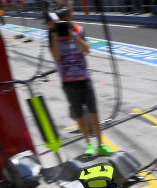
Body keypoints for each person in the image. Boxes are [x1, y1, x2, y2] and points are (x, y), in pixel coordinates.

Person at [47, 9, 115, 158]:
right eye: (64, 19)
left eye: (68, 18)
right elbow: (56, 58)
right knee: (79, 116)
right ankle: (89, 144)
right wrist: (54, 33)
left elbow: (87, 50)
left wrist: (73, 35)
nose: (67, 21)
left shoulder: (78, 29)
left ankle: (100, 145)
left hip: (84, 79)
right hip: (69, 83)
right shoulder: (52, 34)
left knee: (94, 114)